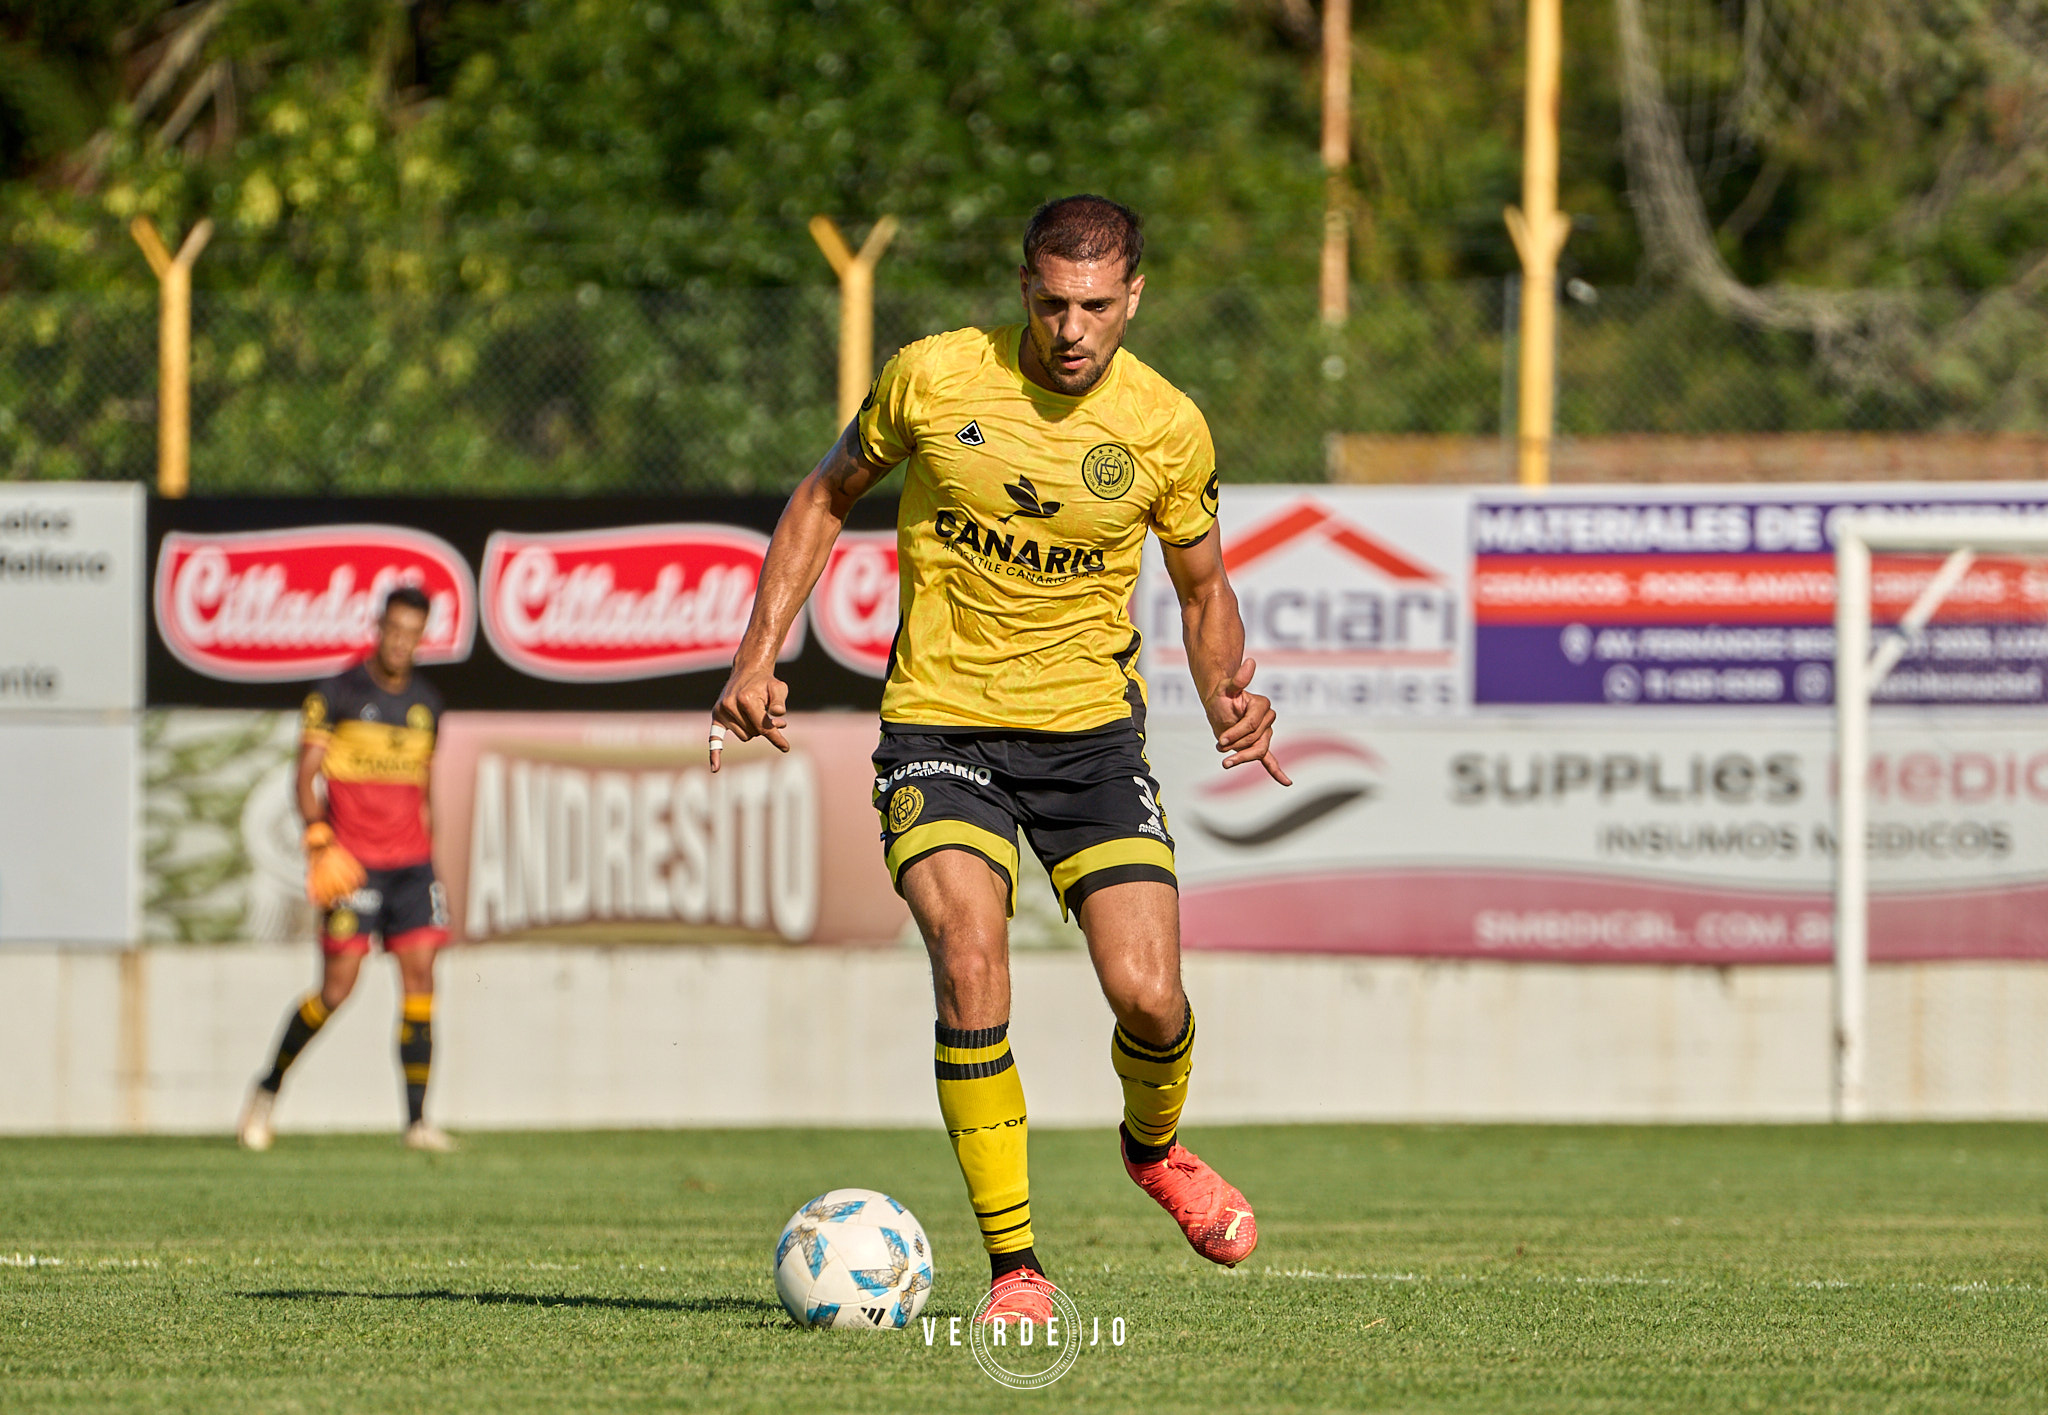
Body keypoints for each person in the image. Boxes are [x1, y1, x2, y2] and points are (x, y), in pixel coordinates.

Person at [713, 194, 1290, 1323]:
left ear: (1134, 298)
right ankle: (1015, 1266)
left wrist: (1230, 690)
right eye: (1049, 303)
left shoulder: (1165, 426)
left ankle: (1152, 1147)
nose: (1071, 330)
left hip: (1087, 738)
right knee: (971, 961)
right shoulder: (934, 377)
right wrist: (755, 652)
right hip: (940, 726)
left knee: (1150, 998)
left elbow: (1203, 586)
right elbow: (825, 494)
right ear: (1020, 287)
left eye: (1094, 308)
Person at [238, 585, 456, 1153]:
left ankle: (416, 1124)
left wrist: (431, 855)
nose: (402, 641)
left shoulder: (427, 704)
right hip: (353, 869)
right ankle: (266, 1090)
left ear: (422, 636)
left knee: (421, 981)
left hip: (411, 866)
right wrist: (318, 837)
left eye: (414, 632)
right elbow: (303, 776)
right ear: (379, 628)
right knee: (336, 992)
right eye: (395, 630)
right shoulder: (336, 693)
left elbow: (423, 789)